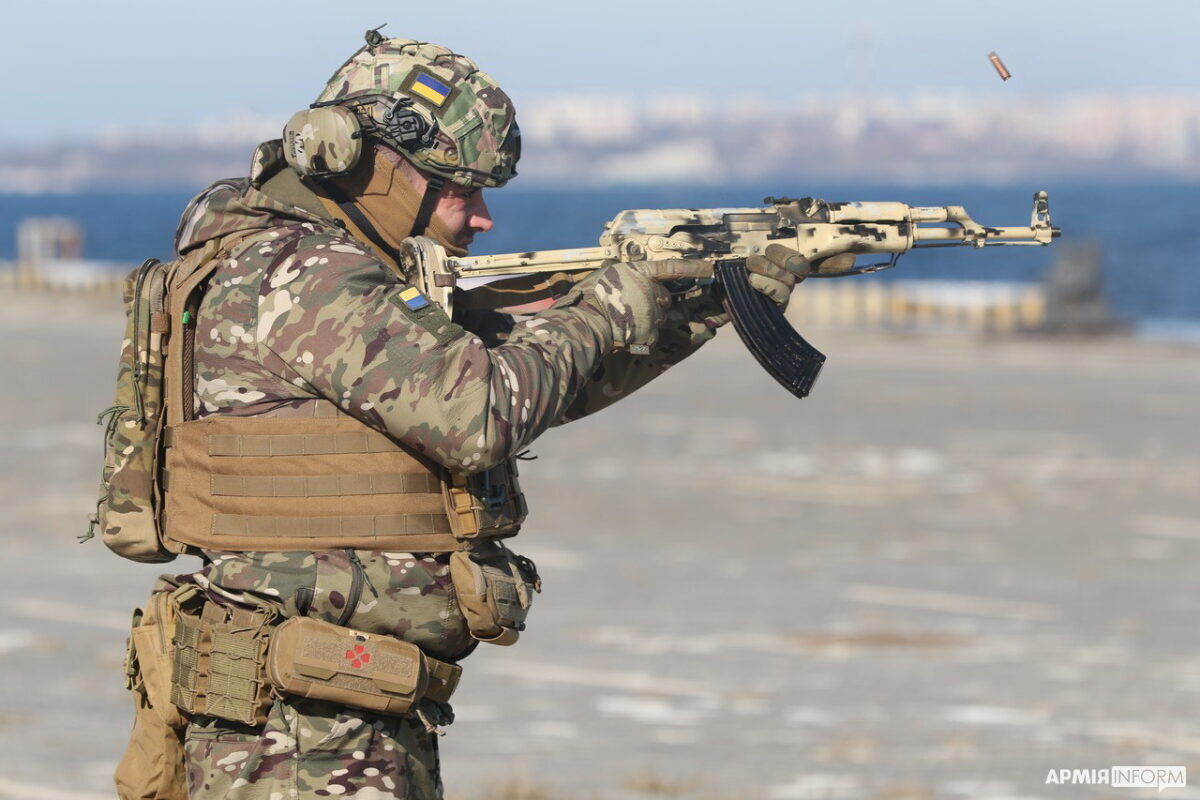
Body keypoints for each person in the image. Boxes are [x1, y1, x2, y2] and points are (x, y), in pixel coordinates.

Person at [119, 31, 809, 800]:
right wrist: (618, 297)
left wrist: (715, 299)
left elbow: (541, 384)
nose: (481, 217)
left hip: (338, 708)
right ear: (369, 163)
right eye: (461, 190)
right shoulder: (305, 273)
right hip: (301, 732)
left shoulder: (331, 273)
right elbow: (481, 412)